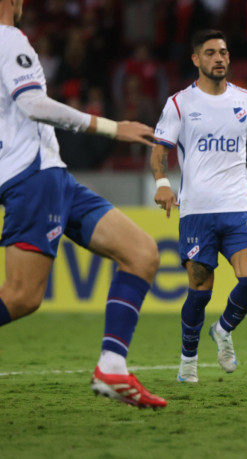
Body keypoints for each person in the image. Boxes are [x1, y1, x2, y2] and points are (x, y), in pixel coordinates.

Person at [0, 0, 166, 409]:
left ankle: (112, 367)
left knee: (141, 253)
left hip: (52, 176)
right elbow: (33, 104)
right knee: (21, 296)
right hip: (33, 176)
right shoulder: (9, 39)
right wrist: (112, 127)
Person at [151, 30, 247, 383]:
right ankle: (188, 360)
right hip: (197, 211)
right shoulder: (179, 104)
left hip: (238, 204)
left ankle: (222, 330)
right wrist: (162, 184)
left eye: (223, 52)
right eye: (210, 53)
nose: (218, 58)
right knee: (199, 292)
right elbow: (160, 149)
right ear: (196, 60)